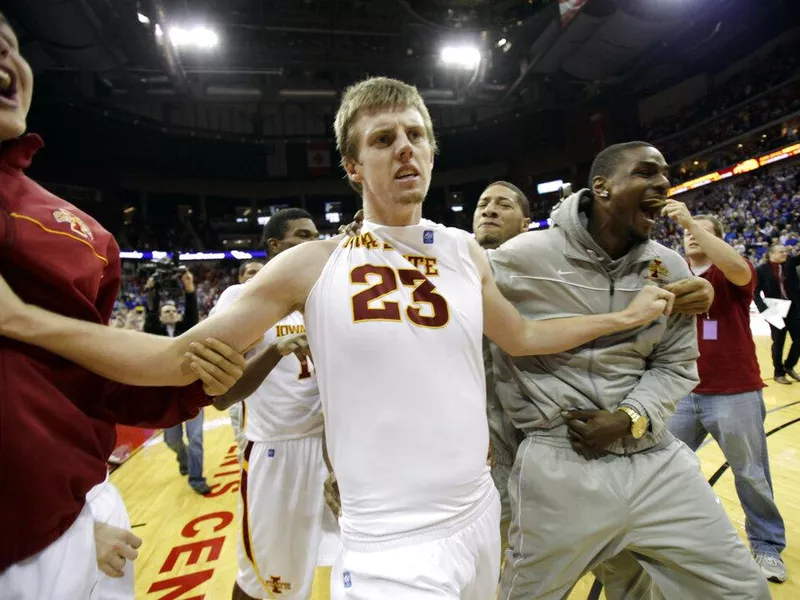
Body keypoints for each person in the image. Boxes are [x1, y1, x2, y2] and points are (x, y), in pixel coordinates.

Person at [0, 77, 675, 599]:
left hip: (479, 512)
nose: (404, 146)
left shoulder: (467, 251)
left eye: (415, 133)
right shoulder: (312, 263)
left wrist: (623, 317)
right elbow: (179, 360)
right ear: (352, 168)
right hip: (389, 544)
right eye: (382, 139)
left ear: (434, 152)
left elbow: (525, 335)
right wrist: (23, 321)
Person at [0, 13, 245, 599]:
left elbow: (95, 380)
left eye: (10, 45)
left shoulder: (82, 233)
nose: (4, 60)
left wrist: (80, 514)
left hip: (68, 525)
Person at [488, 141, 769, 599]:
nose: (662, 184)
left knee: (742, 590)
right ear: (601, 186)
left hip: (655, 457)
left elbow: (676, 363)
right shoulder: (520, 258)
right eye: (646, 173)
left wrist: (630, 417)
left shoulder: (669, 265)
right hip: (561, 461)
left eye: (665, 175)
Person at [208, 208, 340, 600]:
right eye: (302, 235)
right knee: (267, 583)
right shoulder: (241, 297)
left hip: (334, 450)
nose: (313, 243)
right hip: (277, 452)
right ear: (274, 246)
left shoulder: (328, 295)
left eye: (316, 235)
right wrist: (274, 352)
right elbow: (220, 397)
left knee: (361, 568)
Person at [665, 204, 788, 583]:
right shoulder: (670, 270)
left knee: (750, 474)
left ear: (716, 238)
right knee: (663, 470)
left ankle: (767, 545)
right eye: (687, 230)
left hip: (735, 390)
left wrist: (690, 221)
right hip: (680, 390)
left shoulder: (734, 269)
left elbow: (738, 269)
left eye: (702, 230)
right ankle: (675, 539)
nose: (690, 234)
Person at [144, 270, 210, 494]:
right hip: (166, 397)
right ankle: (184, 460)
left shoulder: (186, 329)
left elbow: (192, 313)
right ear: (160, 316)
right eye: (166, 310)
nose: (171, 312)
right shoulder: (153, 331)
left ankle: (197, 479)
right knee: (171, 441)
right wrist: (151, 290)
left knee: (196, 438)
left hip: (191, 393)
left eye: (173, 310)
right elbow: (150, 315)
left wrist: (189, 288)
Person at [226, 259, 265, 458]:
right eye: (251, 272)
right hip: (245, 397)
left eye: (262, 272)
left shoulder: (277, 304)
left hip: (278, 398)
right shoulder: (231, 300)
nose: (257, 276)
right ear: (241, 278)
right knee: (247, 451)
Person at [754, 244, 800, 385]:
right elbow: (755, 292)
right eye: (781, 252)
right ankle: (778, 373)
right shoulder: (761, 270)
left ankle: (789, 366)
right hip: (774, 308)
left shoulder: (790, 264)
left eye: (786, 251)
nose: (785, 254)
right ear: (771, 254)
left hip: (793, 307)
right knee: (779, 342)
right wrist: (764, 309)